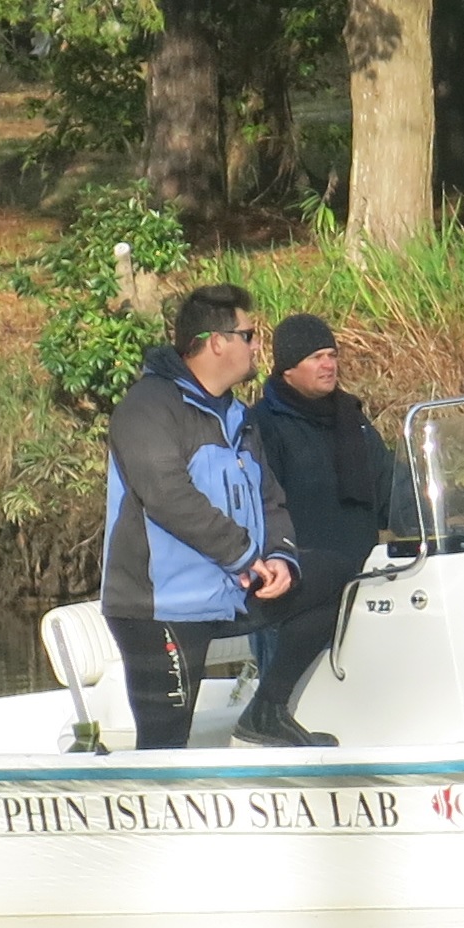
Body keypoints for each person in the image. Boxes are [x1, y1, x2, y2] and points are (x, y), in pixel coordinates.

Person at [101, 283, 350, 748]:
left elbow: (269, 498)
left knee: (340, 576)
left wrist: (280, 557)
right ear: (218, 342)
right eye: (250, 335)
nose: (259, 346)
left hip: (235, 589)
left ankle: (267, 712)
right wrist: (242, 555)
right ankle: (151, 814)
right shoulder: (145, 409)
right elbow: (168, 496)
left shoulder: (239, 415)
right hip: (159, 609)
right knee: (163, 746)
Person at [254, 314, 396, 575]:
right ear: (288, 368)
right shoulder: (264, 425)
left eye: (332, 355)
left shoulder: (352, 419)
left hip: (364, 574)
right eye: (316, 357)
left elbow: (391, 488)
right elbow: (264, 511)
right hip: (305, 580)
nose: (328, 365)